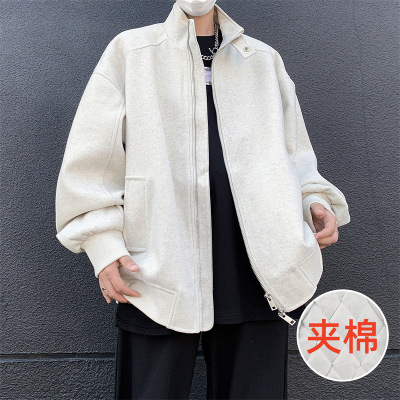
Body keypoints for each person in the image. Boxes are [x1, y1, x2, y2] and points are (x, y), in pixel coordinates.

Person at [55, 1, 351, 399]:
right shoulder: (133, 52)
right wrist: (101, 241)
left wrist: (314, 200)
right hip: (158, 264)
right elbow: (92, 160)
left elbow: (296, 155)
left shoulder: (262, 60)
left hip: (260, 267)